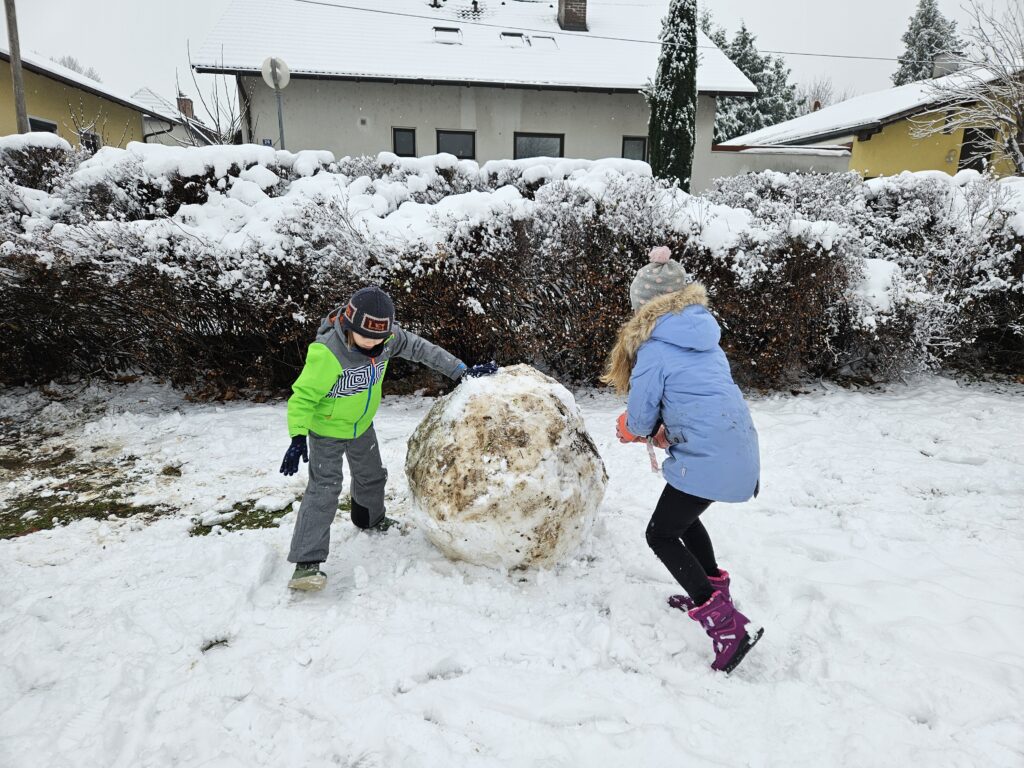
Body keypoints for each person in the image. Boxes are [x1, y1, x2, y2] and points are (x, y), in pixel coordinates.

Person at [602, 246, 763, 673]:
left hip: (709, 459)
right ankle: (710, 593)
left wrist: (629, 426)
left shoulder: (654, 350)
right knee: (684, 521)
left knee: (660, 534)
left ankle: (725, 625)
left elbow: (637, 420)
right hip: (739, 451)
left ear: (643, 309)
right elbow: (699, 405)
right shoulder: (709, 343)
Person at [280, 286, 496, 591]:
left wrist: (461, 371)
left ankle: (370, 519)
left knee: (371, 477)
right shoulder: (327, 353)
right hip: (326, 430)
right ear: (349, 326)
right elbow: (302, 397)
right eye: (365, 338)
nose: (372, 345)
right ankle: (306, 563)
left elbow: (424, 349)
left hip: (361, 425)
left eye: (378, 340)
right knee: (324, 490)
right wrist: (297, 436)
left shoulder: (388, 339)